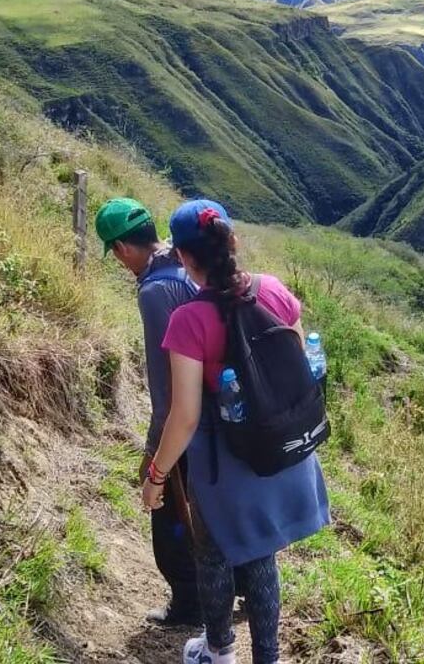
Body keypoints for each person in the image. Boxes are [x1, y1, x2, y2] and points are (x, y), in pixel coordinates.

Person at [141, 199, 330, 664]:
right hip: (278, 448)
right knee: (262, 554)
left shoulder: (189, 321)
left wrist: (157, 476)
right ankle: (267, 657)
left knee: (212, 555)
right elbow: (296, 372)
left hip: (225, 462)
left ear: (184, 258)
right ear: (233, 242)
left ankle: (218, 651)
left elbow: (184, 415)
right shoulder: (274, 291)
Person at [94, 197, 202, 627]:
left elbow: (167, 386)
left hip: (191, 416)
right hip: (222, 409)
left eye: (116, 254)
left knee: (170, 512)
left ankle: (190, 605)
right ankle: (241, 587)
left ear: (120, 248)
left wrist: (155, 452)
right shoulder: (184, 264)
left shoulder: (156, 292)